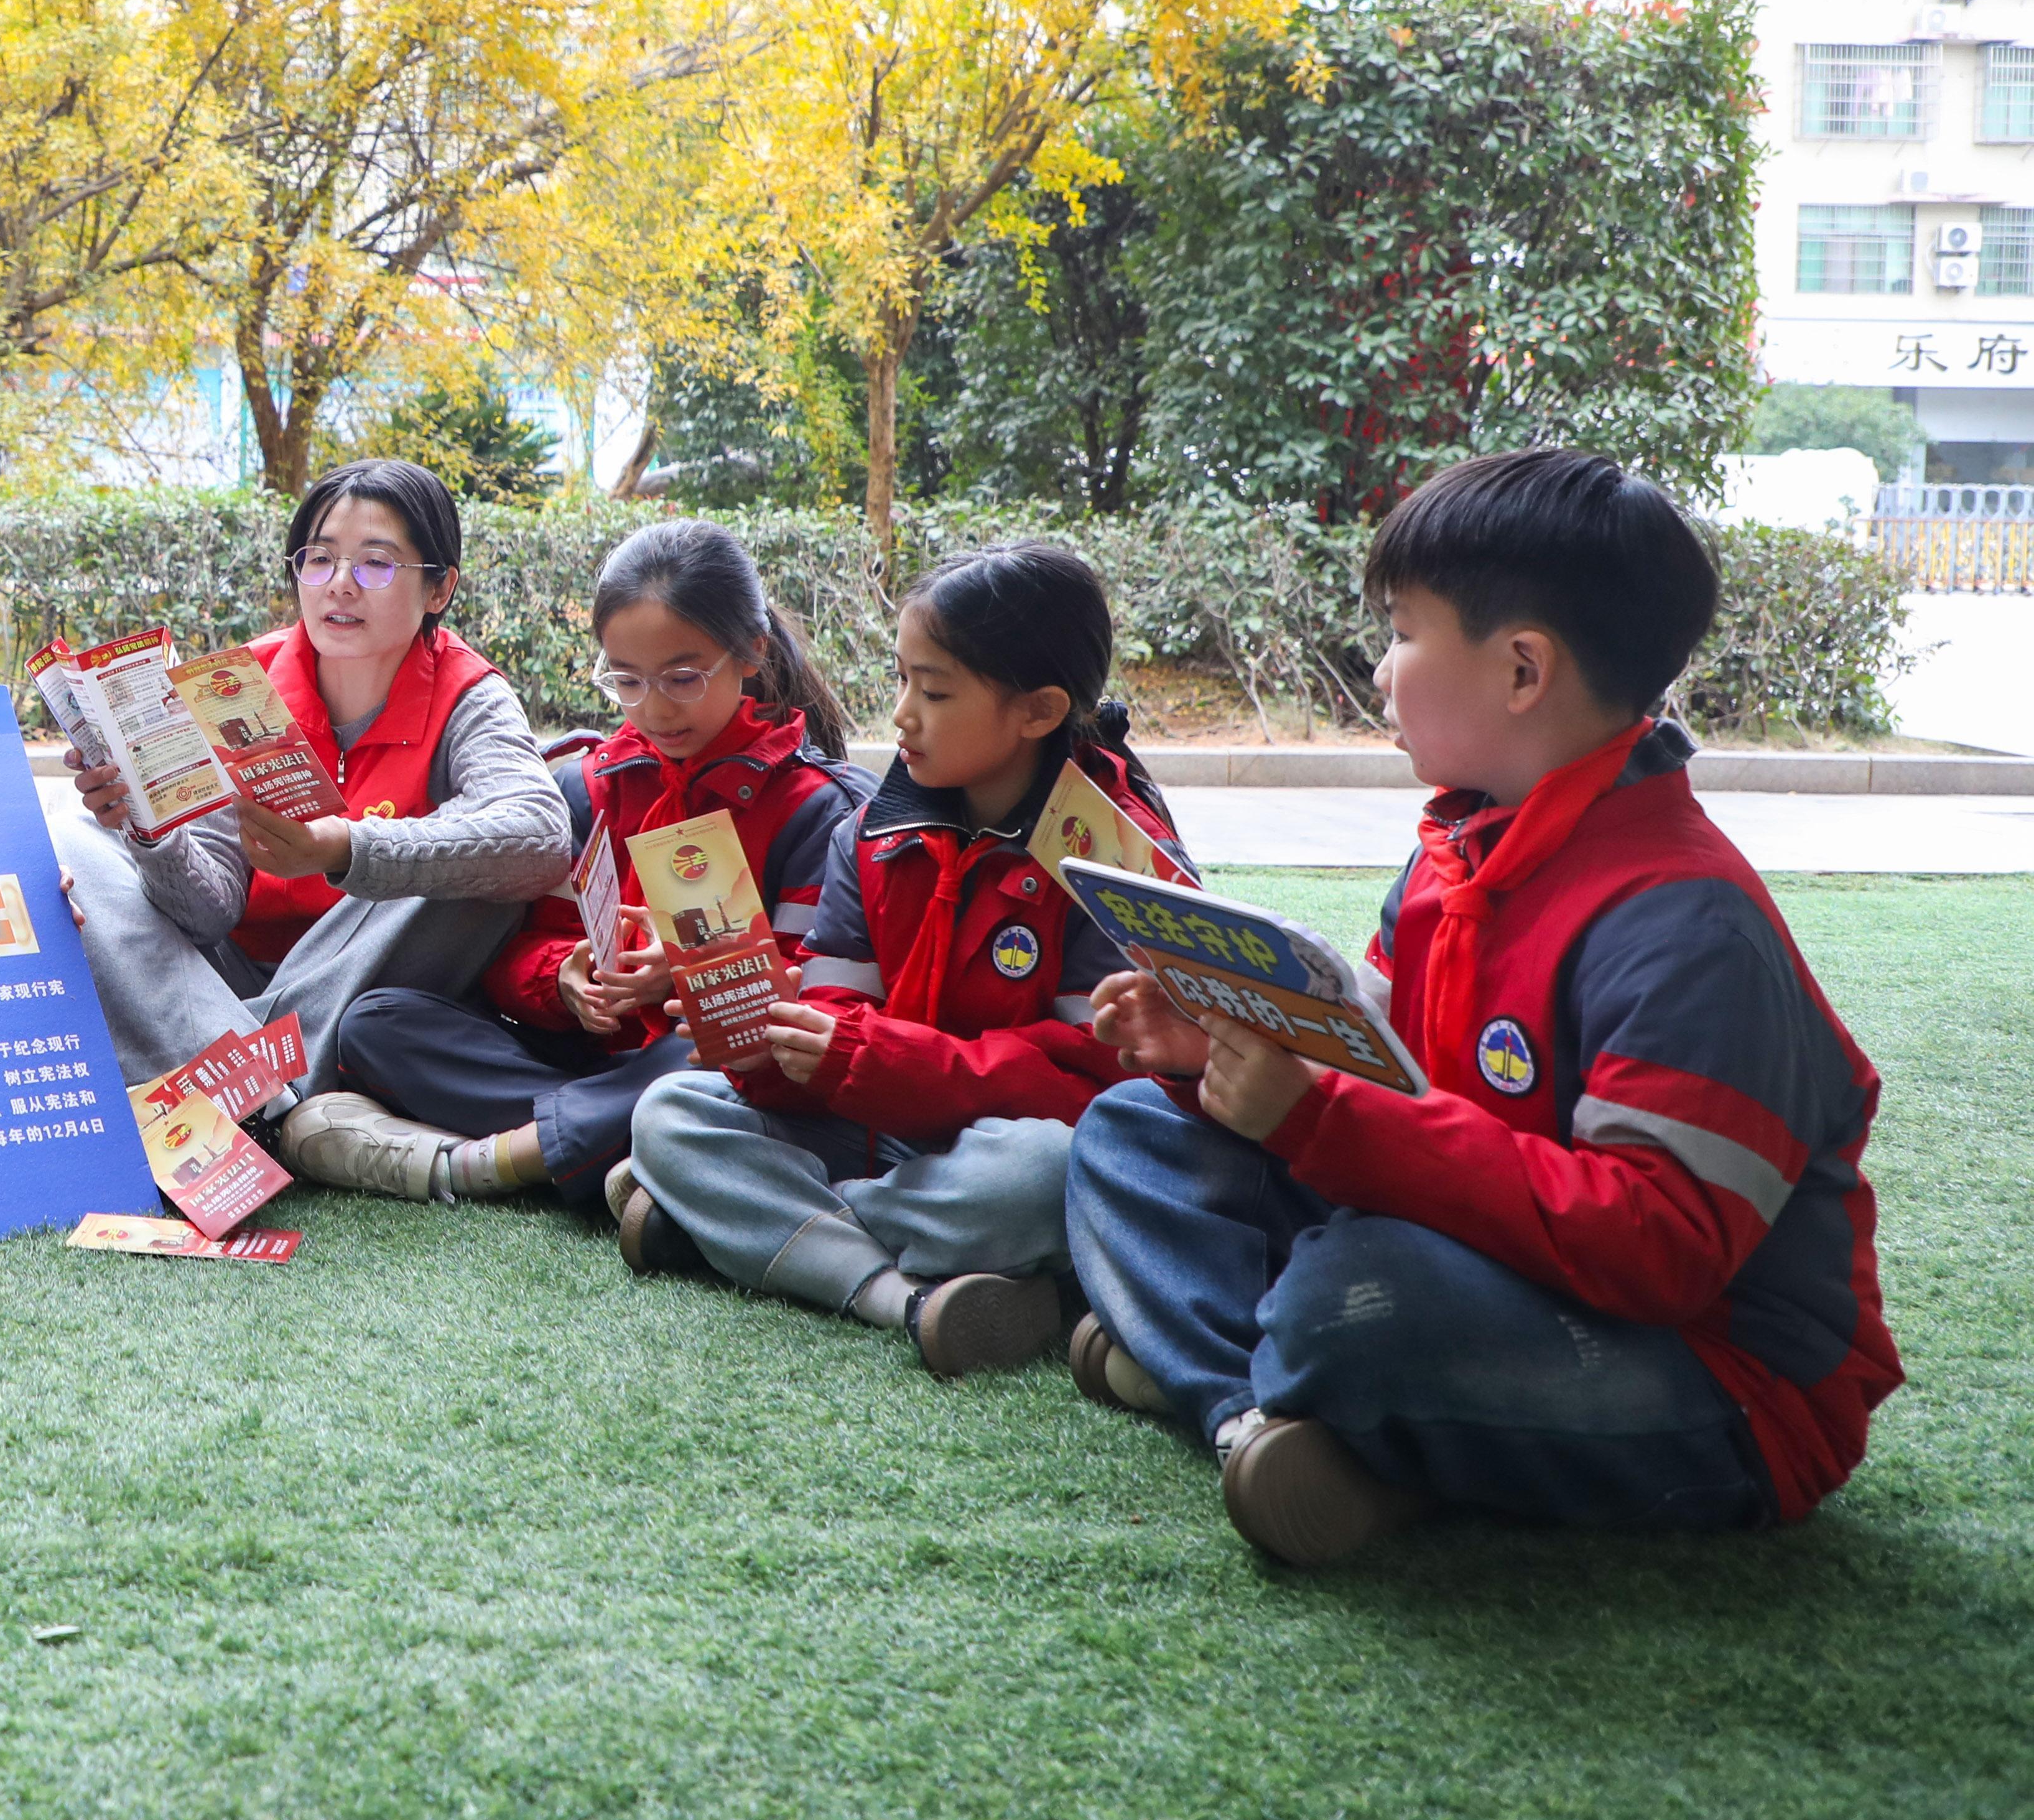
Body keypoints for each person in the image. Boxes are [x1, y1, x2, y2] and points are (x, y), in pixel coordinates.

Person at [1064, 451, 1895, 1567]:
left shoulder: (1690, 924)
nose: (1378, 669)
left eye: (1402, 633)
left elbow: (1657, 1252)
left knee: (1353, 1301)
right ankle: (1254, 1419)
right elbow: (1389, 1066)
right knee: (1130, 1135)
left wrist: (1315, 1118)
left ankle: (1219, 1368)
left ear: (1521, 670)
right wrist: (1219, 1040)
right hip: (1482, 1255)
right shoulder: (1456, 850)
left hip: (1716, 1381)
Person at [615, 542, 1184, 1378]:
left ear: (1038, 710)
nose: (902, 715)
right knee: (671, 1111)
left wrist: (872, 1057)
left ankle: (767, 1228)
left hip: (999, 1149)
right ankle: (905, 1298)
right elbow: (838, 1018)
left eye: (935, 692)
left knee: (1050, 1170)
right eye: (902, 680)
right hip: (876, 1131)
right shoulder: (871, 834)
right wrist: (774, 1047)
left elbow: (1099, 1086)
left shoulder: (1118, 856)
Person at [325, 519, 870, 1209]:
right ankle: (625, 1148)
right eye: (627, 681)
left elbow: (816, 1010)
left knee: (694, 1075)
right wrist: (565, 980)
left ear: (751, 653)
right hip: (590, 1063)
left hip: (707, 1065)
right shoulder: (592, 785)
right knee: (375, 1022)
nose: (655, 708)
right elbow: (517, 951)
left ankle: (497, 1161)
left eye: (683, 678)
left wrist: (693, 976)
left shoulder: (814, 809)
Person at [55, 457, 570, 1151]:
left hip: (364, 991)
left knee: (482, 852)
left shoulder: (470, 696)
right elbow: (208, 912)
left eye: (377, 564)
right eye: (319, 559)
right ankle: (263, 1092)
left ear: (440, 587)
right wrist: (150, 830)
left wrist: (345, 849)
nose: (340, 585)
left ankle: (231, 1083)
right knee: (72, 836)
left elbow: (542, 836)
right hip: (226, 984)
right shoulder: (240, 684)